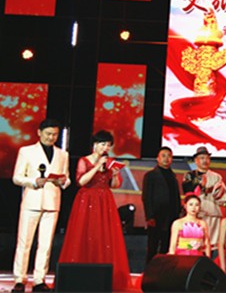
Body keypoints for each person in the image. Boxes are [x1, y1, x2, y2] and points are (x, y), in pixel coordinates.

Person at [58, 131, 131, 291]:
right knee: (84, 232)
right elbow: (81, 181)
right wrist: (97, 166)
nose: (105, 148)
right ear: (95, 145)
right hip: (87, 199)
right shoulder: (84, 160)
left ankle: (104, 276)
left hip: (105, 200)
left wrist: (115, 175)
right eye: (103, 144)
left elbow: (115, 185)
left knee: (104, 235)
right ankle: (80, 276)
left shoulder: (110, 162)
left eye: (108, 145)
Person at [12, 119, 71, 293]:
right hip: (32, 201)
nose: (51, 137)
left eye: (54, 135)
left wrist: (63, 181)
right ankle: (20, 279)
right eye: (48, 134)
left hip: (52, 202)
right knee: (24, 242)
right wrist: (33, 181)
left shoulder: (62, 154)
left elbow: (67, 178)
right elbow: (17, 177)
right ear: (39, 133)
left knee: (45, 244)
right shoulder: (26, 151)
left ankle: (39, 279)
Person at [182, 146, 226, 248]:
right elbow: (187, 192)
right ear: (196, 160)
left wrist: (216, 191)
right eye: (202, 158)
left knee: (212, 244)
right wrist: (201, 186)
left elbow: (223, 197)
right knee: (195, 243)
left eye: (207, 158)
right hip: (197, 214)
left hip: (212, 213)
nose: (205, 161)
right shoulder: (190, 175)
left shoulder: (216, 176)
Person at [143, 146, 182, 262]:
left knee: (167, 245)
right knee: (153, 246)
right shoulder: (151, 175)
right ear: (158, 158)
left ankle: (163, 270)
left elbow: (176, 196)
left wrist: (178, 213)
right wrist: (149, 216)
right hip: (156, 216)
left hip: (171, 216)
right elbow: (146, 197)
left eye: (169, 156)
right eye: (163, 156)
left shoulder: (173, 176)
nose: (166, 158)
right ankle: (150, 270)